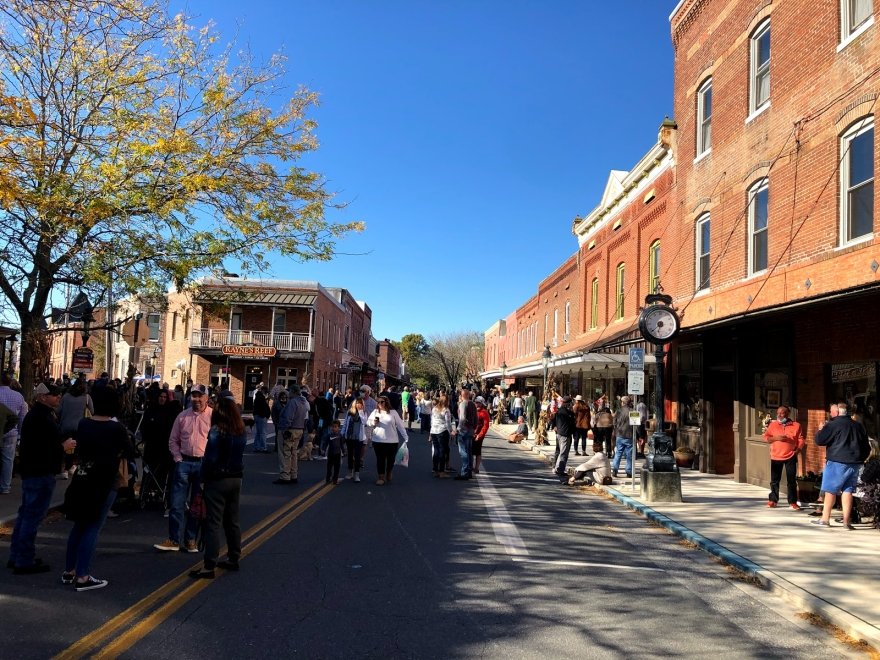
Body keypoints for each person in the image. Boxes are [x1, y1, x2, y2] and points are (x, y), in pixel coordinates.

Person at [63, 385, 136, 591]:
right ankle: (83, 575)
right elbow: (131, 452)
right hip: (105, 481)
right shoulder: (116, 428)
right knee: (93, 527)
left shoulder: (84, 423)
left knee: (79, 525)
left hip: (83, 477)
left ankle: (69, 571)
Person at [8, 383, 75, 574]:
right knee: (32, 517)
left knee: (25, 515)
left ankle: (17, 555)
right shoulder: (41, 417)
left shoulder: (38, 415)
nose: (58, 398)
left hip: (33, 471)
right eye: (54, 395)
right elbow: (44, 448)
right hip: (40, 472)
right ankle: (24, 559)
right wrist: (64, 446)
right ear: (42, 397)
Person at [189, 395, 247, 579]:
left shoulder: (216, 432)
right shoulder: (240, 431)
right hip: (236, 477)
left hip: (218, 479)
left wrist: (202, 479)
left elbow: (209, 458)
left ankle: (209, 564)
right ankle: (233, 556)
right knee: (232, 520)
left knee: (213, 522)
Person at [154, 383, 212, 552]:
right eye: (194, 396)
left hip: (202, 464)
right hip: (184, 463)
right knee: (177, 503)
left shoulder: (212, 417)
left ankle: (190, 540)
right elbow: (173, 440)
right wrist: (178, 458)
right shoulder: (182, 417)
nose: (197, 399)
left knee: (196, 505)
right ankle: (173, 539)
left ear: (207, 398)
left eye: (200, 396)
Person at [812, 401, 870, 529]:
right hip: (855, 464)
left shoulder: (832, 425)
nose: (830, 413)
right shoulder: (858, 426)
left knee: (830, 491)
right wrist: (860, 459)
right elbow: (867, 447)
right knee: (848, 491)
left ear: (837, 412)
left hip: (837, 462)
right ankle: (846, 522)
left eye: (832, 411)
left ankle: (825, 519)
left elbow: (819, 440)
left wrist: (821, 429)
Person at [762, 405, 804, 509]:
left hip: (790, 456)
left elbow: (801, 439)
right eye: (778, 413)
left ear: (788, 413)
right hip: (776, 456)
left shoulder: (796, 425)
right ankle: (773, 500)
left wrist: (798, 450)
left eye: (782, 413)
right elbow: (766, 437)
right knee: (775, 481)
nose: (779, 415)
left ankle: (792, 502)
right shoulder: (773, 425)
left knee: (791, 481)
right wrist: (776, 438)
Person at [57, 378, 93, 479]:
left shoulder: (66, 396)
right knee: (76, 448)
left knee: (65, 448)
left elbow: (58, 410)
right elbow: (92, 411)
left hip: (65, 425)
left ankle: (64, 470)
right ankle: (72, 466)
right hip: (80, 426)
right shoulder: (86, 397)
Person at [367, 395, 407, 485]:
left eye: (382, 402)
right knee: (380, 459)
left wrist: (405, 437)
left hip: (392, 441)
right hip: (378, 440)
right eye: (378, 402)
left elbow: (400, 425)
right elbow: (368, 422)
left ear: (386, 402)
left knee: (391, 459)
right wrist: (373, 422)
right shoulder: (375, 412)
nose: (380, 404)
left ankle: (389, 471)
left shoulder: (393, 413)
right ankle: (381, 477)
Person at [275, 384, 308, 485]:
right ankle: (294, 474)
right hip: (299, 428)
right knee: (294, 453)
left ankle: (285, 475)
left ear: (293, 392)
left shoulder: (293, 402)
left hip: (290, 429)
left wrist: (285, 429)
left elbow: (288, 416)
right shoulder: (303, 402)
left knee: (285, 453)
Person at [0, 373, 28, 495]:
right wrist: (20, 434)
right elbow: (22, 417)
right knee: (8, 460)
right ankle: (5, 486)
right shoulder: (18, 396)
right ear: (10, 382)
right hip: (11, 432)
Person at [454, 387, 477, 481]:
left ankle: (464, 472)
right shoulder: (473, 404)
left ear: (461, 395)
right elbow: (476, 417)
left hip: (464, 430)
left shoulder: (463, 404)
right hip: (470, 429)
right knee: (469, 451)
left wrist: (458, 429)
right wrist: (474, 427)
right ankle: (469, 471)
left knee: (463, 451)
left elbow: (462, 418)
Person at [341, 399, 367, 482]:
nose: (359, 405)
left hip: (358, 438)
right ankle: (350, 472)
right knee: (350, 455)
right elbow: (345, 423)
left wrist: (361, 412)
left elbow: (364, 422)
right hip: (349, 436)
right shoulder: (349, 412)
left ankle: (357, 474)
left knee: (357, 456)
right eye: (357, 403)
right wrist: (342, 433)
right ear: (354, 404)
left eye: (361, 403)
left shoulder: (364, 413)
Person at [430, 394, 455, 478]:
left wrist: (430, 432)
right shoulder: (446, 410)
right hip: (442, 431)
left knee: (436, 450)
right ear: (447, 401)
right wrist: (451, 431)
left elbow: (432, 421)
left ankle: (435, 469)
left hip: (434, 431)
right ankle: (441, 471)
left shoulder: (434, 409)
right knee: (442, 451)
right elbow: (448, 423)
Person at [552, 396, 576, 481]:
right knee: (563, 453)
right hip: (565, 434)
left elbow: (553, 421)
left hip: (559, 433)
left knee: (558, 451)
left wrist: (555, 427)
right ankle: (560, 469)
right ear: (568, 403)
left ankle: (555, 467)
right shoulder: (569, 413)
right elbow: (572, 425)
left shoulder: (559, 411)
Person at [612, 396, 635, 478]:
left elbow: (614, 422)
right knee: (629, 455)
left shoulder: (618, 411)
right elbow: (636, 425)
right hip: (629, 435)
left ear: (623, 403)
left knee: (618, 453)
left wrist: (616, 430)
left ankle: (615, 469)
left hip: (620, 435)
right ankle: (629, 471)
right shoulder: (633, 411)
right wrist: (639, 436)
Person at [473, 396, 491, 475]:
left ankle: (476, 467)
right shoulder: (473, 411)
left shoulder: (484, 412)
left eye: (478, 403)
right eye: (476, 402)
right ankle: (470, 466)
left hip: (479, 435)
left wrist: (479, 435)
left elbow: (486, 426)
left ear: (481, 404)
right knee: (469, 451)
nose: (477, 404)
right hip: (471, 434)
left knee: (477, 452)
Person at [325, 420, 344, 485]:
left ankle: (335, 479)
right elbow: (325, 443)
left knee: (337, 468)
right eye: (332, 427)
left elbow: (341, 444)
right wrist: (323, 449)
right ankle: (328, 478)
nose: (333, 428)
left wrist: (343, 451)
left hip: (337, 454)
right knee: (329, 467)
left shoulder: (340, 435)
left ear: (338, 428)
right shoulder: (329, 435)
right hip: (330, 453)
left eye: (335, 427)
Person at [252, 385, 271, 453]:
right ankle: (263, 447)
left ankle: (256, 447)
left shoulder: (258, 396)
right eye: (266, 392)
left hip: (258, 415)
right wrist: (265, 415)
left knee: (258, 432)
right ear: (264, 391)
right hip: (261, 416)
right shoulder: (261, 397)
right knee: (263, 432)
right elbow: (263, 407)